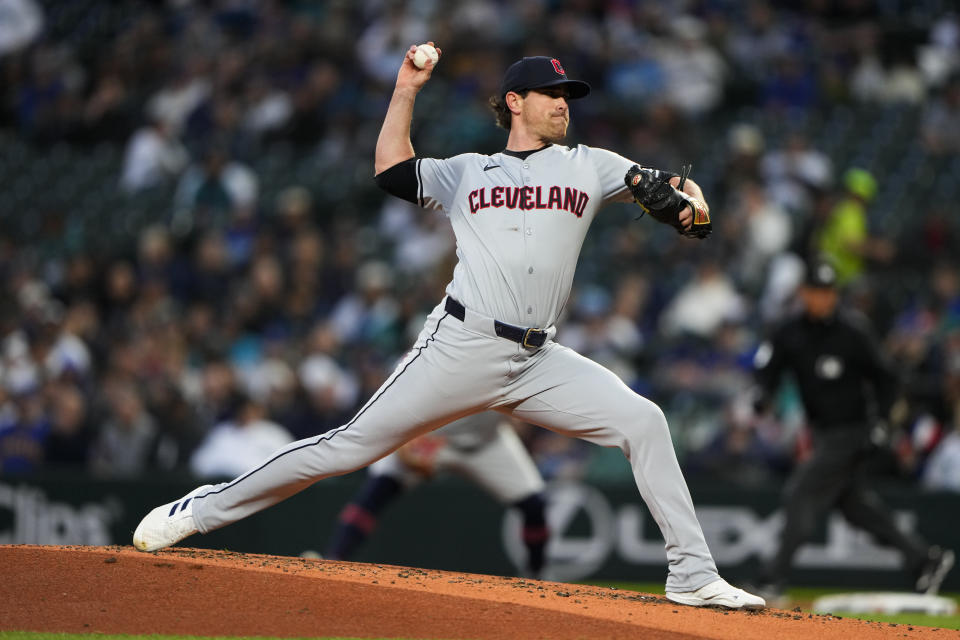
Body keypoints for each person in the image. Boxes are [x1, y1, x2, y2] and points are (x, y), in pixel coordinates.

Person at [132, 46, 764, 610]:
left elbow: (662, 184)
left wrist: (690, 201)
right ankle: (202, 510)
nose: (564, 104)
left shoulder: (587, 164)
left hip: (538, 359)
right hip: (462, 343)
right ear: (515, 102)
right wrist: (406, 87)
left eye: (569, 96)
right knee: (347, 447)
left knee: (644, 421)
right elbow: (391, 172)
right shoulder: (468, 171)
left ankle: (692, 575)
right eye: (553, 94)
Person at [751, 258, 955, 598]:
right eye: (817, 291)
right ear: (804, 293)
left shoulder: (853, 331)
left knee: (802, 490)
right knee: (856, 507)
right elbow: (769, 370)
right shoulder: (789, 332)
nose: (823, 298)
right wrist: (763, 395)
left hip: (853, 431)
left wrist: (884, 424)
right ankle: (923, 559)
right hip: (821, 432)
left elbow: (888, 378)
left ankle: (773, 578)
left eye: (829, 292)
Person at [324, 412, 549, 579]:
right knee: (378, 490)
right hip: (431, 437)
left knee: (534, 504)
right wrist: (405, 431)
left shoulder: (517, 354)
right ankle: (334, 559)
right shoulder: (445, 348)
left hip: (487, 443)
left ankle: (535, 577)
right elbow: (402, 381)